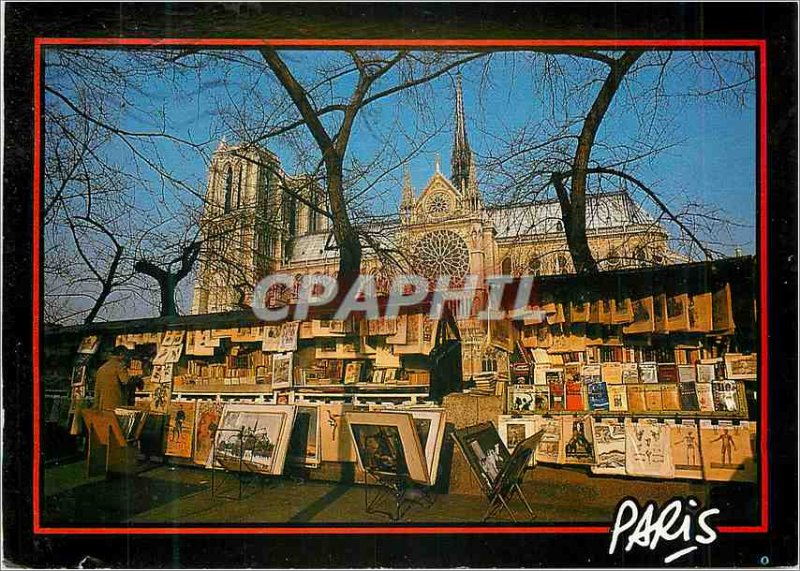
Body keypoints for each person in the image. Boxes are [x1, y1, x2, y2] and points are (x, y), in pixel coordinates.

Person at [93, 346, 134, 411]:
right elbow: (126, 381)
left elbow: (97, 390)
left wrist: (96, 406)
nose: (128, 358)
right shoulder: (119, 366)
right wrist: (136, 380)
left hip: (102, 406)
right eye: (126, 355)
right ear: (121, 354)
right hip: (116, 406)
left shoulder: (101, 369)